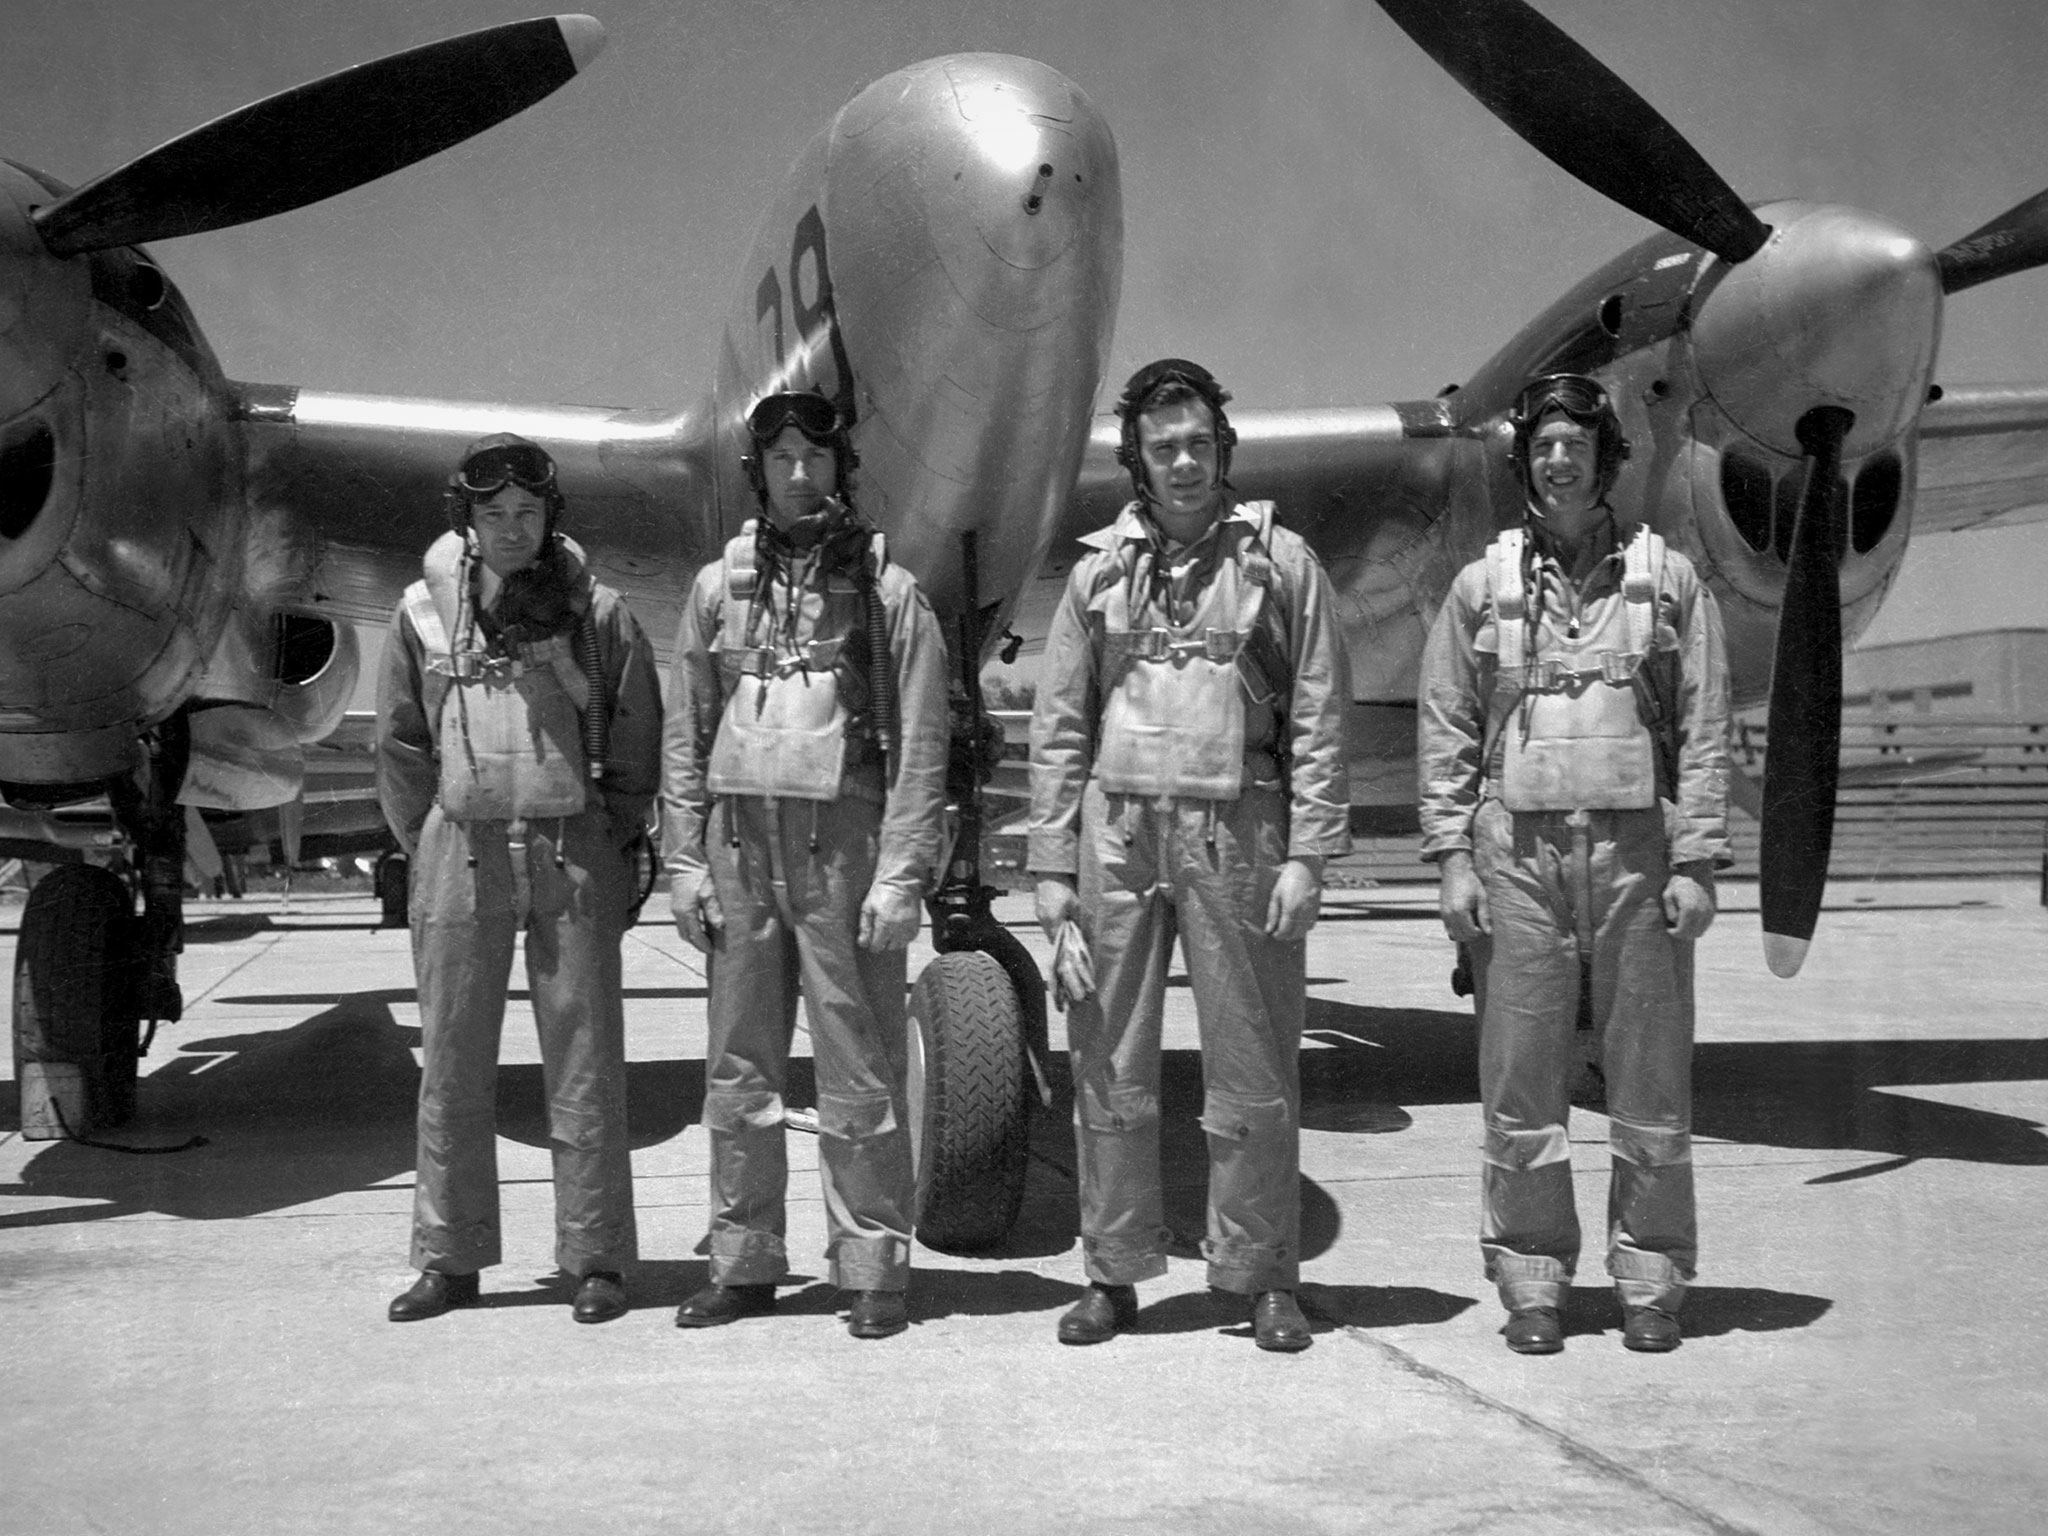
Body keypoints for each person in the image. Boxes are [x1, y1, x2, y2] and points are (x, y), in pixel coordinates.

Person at [1028, 359, 1352, 1352]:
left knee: (1253, 1067)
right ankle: (1111, 1272)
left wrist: (1309, 855)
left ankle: (1261, 1274)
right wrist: (1051, 870)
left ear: (1222, 451)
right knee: (1107, 1063)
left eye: (1198, 445)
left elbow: (1319, 714)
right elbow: (1059, 725)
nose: (1182, 463)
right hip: (1118, 839)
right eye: (1162, 447)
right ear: (1136, 459)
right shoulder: (1096, 575)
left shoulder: (1279, 565)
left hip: (1238, 834)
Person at [1418, 373, 1732, 1355]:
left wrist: (1697, 861)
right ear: (1525, 461)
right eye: (1544, 445)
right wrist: (1451, 860)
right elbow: (1446, 728)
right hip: (1516, 857)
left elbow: (1705, 726)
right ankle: (1531, 1280)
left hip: (1636, 853)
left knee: (1649, 1082)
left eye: (1577, 445)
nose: (1560, 461)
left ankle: (1650, 1280)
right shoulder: (1480, 590)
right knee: (1520, 1084)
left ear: (1606, 460)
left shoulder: (1669, 583)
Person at [662, 390, 948, 1341]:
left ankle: (871, 1267)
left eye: (815, 459)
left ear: (841, 471)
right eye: (781, 459)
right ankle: (743, 1261)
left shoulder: (889, 596)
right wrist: (683, 863)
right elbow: (686, 733)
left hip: (845, 851)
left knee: (857, 1068)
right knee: (738, 1069)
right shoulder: (718, 591)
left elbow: (921, 747)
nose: (798, 475)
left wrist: (902, 875)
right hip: (740, 848)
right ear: (758, 473)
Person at [376, 433, 662, 1324]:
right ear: (467, 520)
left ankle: (597, 1256)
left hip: (571, 849)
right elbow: (399, 745)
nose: (511, 529)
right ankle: (449, 1257)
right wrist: (431, 838)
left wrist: (608, 837)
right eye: (493, 514)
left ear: (549, 517)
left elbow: (636, 738)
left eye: (527, 513)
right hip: (459, 850)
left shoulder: (599, 614)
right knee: (451, 1061)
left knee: (586, 1059)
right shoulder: (421, 615)